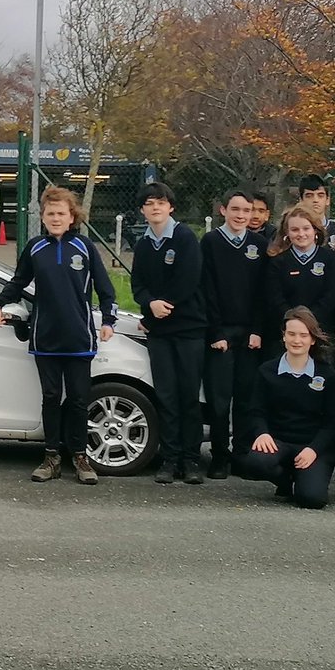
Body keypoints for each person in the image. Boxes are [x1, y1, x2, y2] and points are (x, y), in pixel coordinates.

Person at [0, 186, 117, 485]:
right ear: (43, 217)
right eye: (50, 214)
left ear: (72, 217)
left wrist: (109, 320)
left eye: (61, 213)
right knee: (50, 397)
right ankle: (51, 458)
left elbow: (105, 288)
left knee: (78, 400)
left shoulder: (85, 247)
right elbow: (18, 282)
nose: (56, 218)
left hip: (79, 338)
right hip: (45, 337)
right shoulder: (35, 248)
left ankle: (80, 457)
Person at [130, 181, 208, 485]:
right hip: (160, 333)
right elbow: (137, 284)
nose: (155, 207)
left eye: (160, 202)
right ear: (142, 210)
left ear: (170, 206)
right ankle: (170, 458)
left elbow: (188, 280)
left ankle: (190, 460)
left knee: (188, 394)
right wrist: (150, 304)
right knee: (166, 395)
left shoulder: (186, 237)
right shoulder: (143, 244)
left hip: (188, 328)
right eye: (149, 203)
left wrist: (162, 309)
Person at [237, 306, 335, 508]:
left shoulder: (327, 374)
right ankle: (286, 481)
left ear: (312, 339)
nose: (297, 340)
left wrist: (314, 449)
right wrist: (262, 433)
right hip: (280, 442)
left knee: (312, 499)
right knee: (255, 462)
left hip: (312, 446)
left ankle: (305, 481)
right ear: (283, 336)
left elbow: (333, 422)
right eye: (291, 334)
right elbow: (255, 411)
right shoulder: (266, 371)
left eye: (303, 335)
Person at [201, 188, 267, 479]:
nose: (242, 216)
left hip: (249, 335)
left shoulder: (259, 244)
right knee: (219, 399)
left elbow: (263, 292)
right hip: (221, 334)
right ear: (223, 211)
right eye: (236, 210)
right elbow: (206, 289)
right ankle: (219, 455)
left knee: (245, 397)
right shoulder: (211, 242)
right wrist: (216, 331)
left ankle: (240, 453)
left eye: (247, 211)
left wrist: (257, 330)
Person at [263, 206, 335, 353]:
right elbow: (274, 297)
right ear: (287, 232)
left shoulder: (331, 259)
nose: (301, 234)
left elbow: (332, 296)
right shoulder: (277, 262)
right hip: (286, 334)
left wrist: (308, 322)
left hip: (321, 334)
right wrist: (293, 322)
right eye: (295, 230)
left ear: (315, 230)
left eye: (306, 228)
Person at [297, 174, 335, 244]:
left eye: (320, 195)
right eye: (309, 196)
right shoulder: (293, 230)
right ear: (301, 200)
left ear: (327, 200)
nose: (315, 200)